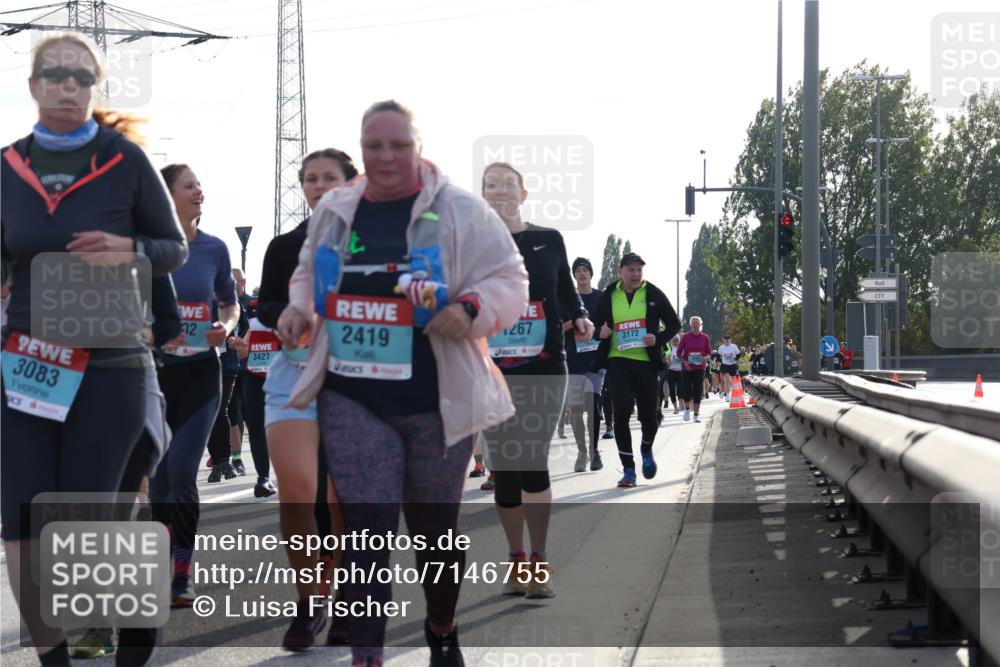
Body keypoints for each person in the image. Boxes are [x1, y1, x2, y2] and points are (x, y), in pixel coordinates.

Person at [276, 100, 528, 667]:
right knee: (367, 527)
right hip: (351, 392)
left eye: (398, 145)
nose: (386, 157)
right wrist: (298, 313)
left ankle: (441, 625)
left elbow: (509, 277)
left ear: (419, 147)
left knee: (435, 528)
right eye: (374, 146)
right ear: (361, 149)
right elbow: (306, 274)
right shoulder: (337, 210)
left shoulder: (459, 208)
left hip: (436, 396)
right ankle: (369, 654)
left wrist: (469, 309)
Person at [1, 32, 187, 666]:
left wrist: (128, 250)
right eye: (53, 74)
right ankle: (53, 662)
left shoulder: (125, 161)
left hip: (110, 364)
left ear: (94, 88)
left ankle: (133, 643)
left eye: (81, 76)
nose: (66, 85)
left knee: (86, 522)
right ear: (32, 85)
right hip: (28, 364)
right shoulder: (7, 168)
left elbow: (174, 248)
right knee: (24, 524)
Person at [258, 146, 357, 651]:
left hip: (355, 385)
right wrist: (284, 315)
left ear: (351, 183)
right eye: (310, 179)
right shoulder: (283, 246)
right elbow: (266, 301)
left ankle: (339, 596)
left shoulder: (376, 245)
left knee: (340, 498)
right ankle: (307, 598)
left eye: (328, 178)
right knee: (297, 489)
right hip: (293, 379)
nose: (318, 186)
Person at [481, 162, 591, 602]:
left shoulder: (549, 240)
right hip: (491, 369)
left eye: (509, 184)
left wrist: (580, 316)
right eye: (492, 186)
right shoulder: (470, 246)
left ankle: (541, 560)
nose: (501, 191)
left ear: (523, 194)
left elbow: (565, 290)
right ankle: (515, 558)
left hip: (545, 365)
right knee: (504, 470)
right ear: (483, 196)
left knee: (532, 459)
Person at [152, 163, 238, 608]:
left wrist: (225, 326)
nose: (200, 191)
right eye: (190, 185)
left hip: (202, 372)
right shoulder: (146, 250)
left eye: (201, 184)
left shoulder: (214, 249)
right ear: (167, 195)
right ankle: (164, 564)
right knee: (161, 481)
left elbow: (230, 303)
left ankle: (181, 576)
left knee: (183, 471)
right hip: (154, 375)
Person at [589, 253, 681, 488]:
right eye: (631, 269)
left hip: (647, 363)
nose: (636, 274)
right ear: (620, 272)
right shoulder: (610, 295)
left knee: (648, 416)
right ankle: (629, 470)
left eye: (639, 270)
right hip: (617, 360)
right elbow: (591, 324)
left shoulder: (652, 293)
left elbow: (674, 323)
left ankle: (646, 449)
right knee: (620, 414)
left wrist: (658, 339)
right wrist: (600, 331)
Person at [564, 257, 605, 471]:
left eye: (585, 270)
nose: (582, 274)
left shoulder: (600, 297)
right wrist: (575, 322)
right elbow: (558, 328)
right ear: (574, 275)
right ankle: (581, 452)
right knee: (577, 412)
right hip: (573, 363)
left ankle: (595, 450)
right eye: (578, 271)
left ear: (591, 273)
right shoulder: (568, 300)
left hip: (596, 362)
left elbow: (610, 324)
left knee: (594, 406)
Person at [676, 316, 712, 422]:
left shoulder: (705, 337)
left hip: (700, 367)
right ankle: (687, 409)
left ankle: (696, 414)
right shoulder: (686, 337)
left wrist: (705, 358)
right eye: (693, 323)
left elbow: (709, 352)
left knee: (698, 390)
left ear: (700, 324)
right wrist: (684, 362)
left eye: (697, 323)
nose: (695, 325)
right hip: (687, 367)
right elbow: (678, 352)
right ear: (691, 325)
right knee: (686, 390)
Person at [664, 334, 683, 414]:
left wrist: (680, 359)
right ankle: (675, 408)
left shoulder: (682, 349)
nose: (675, 342)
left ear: (679, 341)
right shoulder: (669, 349)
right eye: (674, 340)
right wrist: (669, 361)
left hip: (680, 372)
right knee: (672, 390)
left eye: (677, 340)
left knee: (680, 390)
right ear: (672, 341)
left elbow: (685, 359)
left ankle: (680, 404)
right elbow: (666, 360)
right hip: (671, 372)